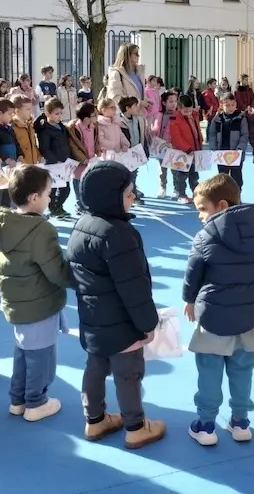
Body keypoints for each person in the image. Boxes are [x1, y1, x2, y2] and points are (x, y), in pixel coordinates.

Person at [66, 161, 165, 449]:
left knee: (95, 367)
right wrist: (147, 324)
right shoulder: (118, 234)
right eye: (129, 192)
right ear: (111, 196)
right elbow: (134, 287)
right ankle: (136, 426)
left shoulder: (82, 224)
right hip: (123, 323)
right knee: (128, 373)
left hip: (93, 318)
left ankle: (94, 419)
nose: (133, 196)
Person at [182, 174, 254, 445]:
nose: (200, 216)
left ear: (223, 205)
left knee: (209, 372)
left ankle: (205, 425)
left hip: (213, 318)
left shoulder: (205, 236)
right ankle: (240, 422)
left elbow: (193, 273)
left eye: (203, 209)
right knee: (242, 371)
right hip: (247, 317)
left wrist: (189, 299)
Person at [0, 165, 70, 421]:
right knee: (42, 355)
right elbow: (56, 271)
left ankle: (18, 399)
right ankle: (35, 402)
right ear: (33, 197)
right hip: (40, 302)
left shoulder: (2, 224)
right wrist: (82, 278)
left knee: (23, 352)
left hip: (16, 302)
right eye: (48, 193)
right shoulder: (40, 230)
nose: (50, 198)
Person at [35, 98, 75, 218]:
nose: (59, 116)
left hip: (64, 162)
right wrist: (54, 160)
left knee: (66, 188)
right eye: (56, 113)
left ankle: (59, 206)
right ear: (48, 114)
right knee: (52, 189)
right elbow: (44, 148)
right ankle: (53, 208)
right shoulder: (45, 130)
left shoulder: (61, 126)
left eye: (60, 113)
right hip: (53, 164)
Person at [207, 92, 248, 190]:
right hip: (221, 154)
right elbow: (212, 134)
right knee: (222, 178)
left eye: (233, 105)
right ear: (222, 105)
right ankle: (224, 196)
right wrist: (213, 148)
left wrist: (240, 148)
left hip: (236, 154)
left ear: (236, 104)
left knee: (237, 177)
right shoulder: (217, 119)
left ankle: (237, 196)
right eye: (227, 105)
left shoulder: (241, 118)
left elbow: (245, 135)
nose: (230, 108)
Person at [168, 94, 203, 203]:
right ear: (179, 108)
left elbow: (197, 131)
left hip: (195, 150)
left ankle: (195, 193)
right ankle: (181, 194)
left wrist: (200, 143)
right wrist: (187, 149)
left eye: (189, 110)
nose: (188, 113)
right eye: (185, 111)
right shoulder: (174, 119)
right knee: (182, 175)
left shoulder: (194, 115)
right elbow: (176, 137)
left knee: (194, 174)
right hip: (182, 153)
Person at [68, 102, 99, 214]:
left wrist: (98, 151)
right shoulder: (74, 129)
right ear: (86, 118)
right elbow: (74, 147)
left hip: (91, 160)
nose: (96, 117)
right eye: (94, 115)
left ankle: (87, 203)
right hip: (80, 162)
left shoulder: (94, 127)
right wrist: (82, 159)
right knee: (77, 181)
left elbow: (96, 141)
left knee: (88, 182)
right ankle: (79, 204)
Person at [119, 96, 148, 205]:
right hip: (126, 153)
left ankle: (132, 193)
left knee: (134, 174)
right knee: (127, 175)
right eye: (135, 105)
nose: (138, 107)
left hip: (136, 151)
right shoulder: (120, 122)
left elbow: (143, 135)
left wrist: (144, 149)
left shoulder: (138, 119)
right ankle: (130, 194)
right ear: (128, 108)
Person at [10, 95, 41, 166]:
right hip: (23, 168)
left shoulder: (30, 125)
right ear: (17, 111)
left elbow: (34, 145)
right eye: (28, 109)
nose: (31, 111)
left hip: (34, 165)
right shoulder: (13, 128)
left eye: (31, 109)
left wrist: (39, 156)